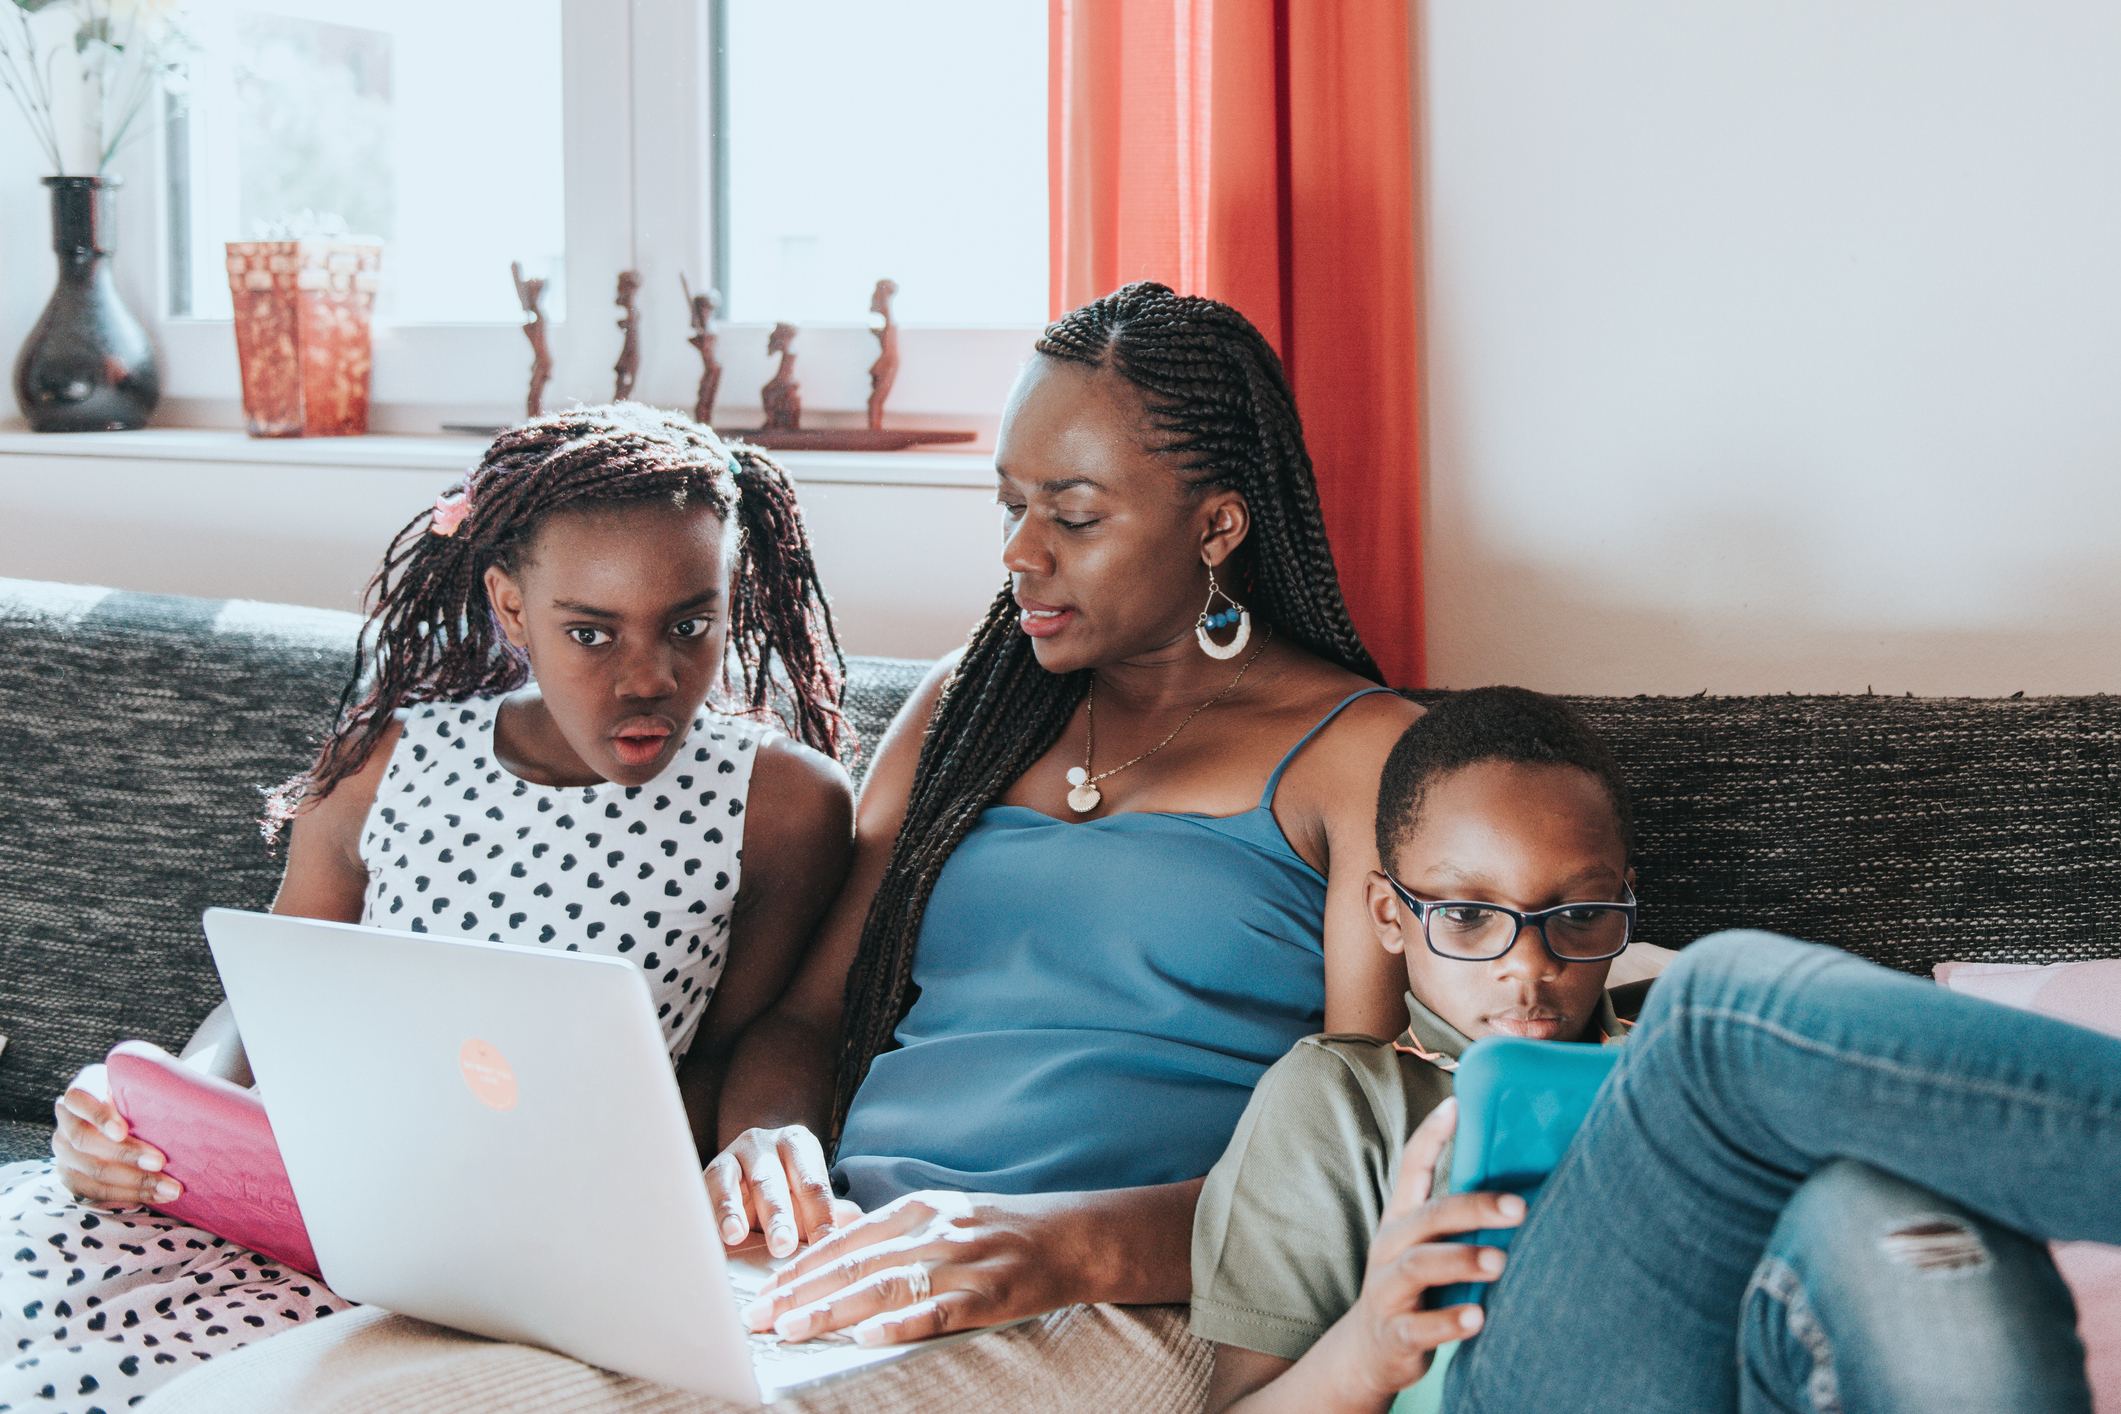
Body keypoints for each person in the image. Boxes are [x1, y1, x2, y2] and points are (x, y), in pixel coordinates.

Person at [127, 282, 1425, 1414]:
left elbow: (1375, 1141)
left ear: (1217, 525)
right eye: (1010, 502)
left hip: (1119, 1302)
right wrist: (775, 1144)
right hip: (838, 1253)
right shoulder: (971, 708)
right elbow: (804, 1022)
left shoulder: (1365, 757)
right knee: (307, 1380)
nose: (1018, 553)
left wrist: (1059, 1248)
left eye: (1072, 515)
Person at [0, 405, 858, 1413]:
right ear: (509, 606)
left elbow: (742, 1045)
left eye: (691, 624)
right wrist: (164, 1115)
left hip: (525, 1260)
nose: (649, 677)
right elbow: (272, 995)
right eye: (590, 631)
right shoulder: (389, 760)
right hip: (312, 1210)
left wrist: (753, 1154)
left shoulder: (783, 803)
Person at [1195, 686, 2112, 1414]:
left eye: (1580, 916)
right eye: (1469, 917)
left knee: (1874, 1201)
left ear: (1624, 903)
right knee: (1712, 1007)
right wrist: (1372, 1342)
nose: (1529, 968)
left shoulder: (1684, 1061)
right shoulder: (1341, 1095)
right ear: (1389, 915)